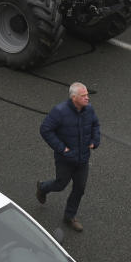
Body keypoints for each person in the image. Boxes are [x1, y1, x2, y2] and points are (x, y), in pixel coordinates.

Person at [37, 82, 100, 233]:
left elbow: (95, 125)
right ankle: (42, 187)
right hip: (65, 159)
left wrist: (94, 141)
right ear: (73, 97)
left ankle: (69, 216)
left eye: (87, 95)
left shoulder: (89, 110)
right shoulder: (59, 111)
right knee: (60, 185)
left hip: (83, 159)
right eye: (83, 96)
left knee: (80, 188)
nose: (87, 98)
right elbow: (45, 130)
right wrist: (62, 148)